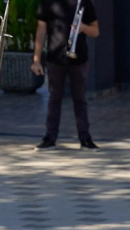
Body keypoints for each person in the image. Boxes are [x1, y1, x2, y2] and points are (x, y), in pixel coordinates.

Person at [32, 0, 100, 150]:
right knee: (54, 99)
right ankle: (50, 137)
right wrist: (36, 60)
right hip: (55, 59)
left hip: (79, 59)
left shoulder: (84, 3)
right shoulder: (48, 3)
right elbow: (41, 30)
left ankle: (85, 138)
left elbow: (95, 31)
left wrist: (83, 28)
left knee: (80, 100)